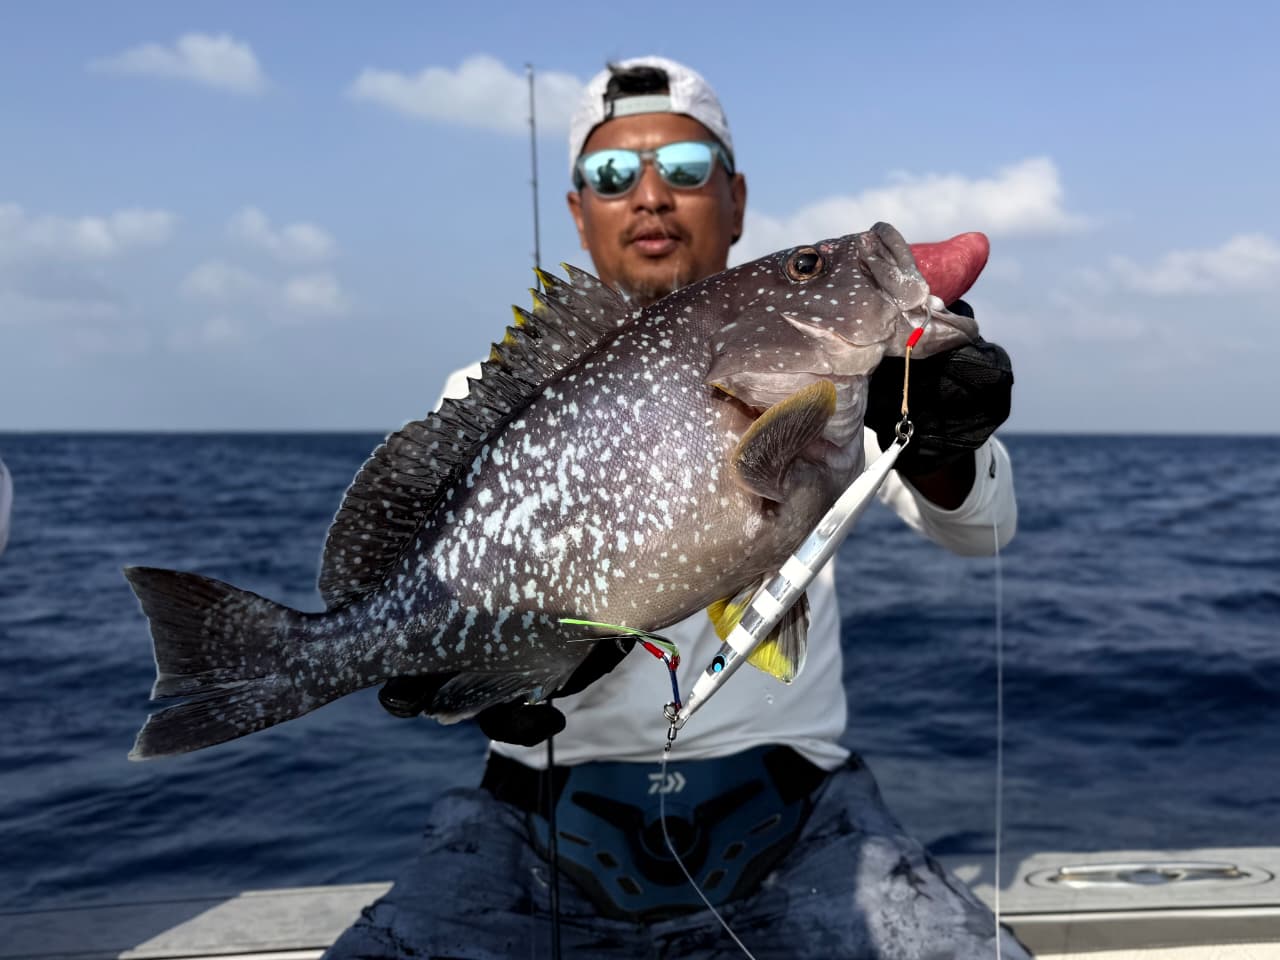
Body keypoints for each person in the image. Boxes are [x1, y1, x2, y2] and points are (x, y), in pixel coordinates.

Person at [326, 56, 1027, 959]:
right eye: (614, 173)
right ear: (578, 211)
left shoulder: (845, 378)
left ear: (736, 203)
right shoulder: (490, 398)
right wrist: (470, 679)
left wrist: (939, 443)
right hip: (533, 816)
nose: (651, 196)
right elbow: (437, 601)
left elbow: (985, 530)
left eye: (687, 169)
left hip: (803, 810)